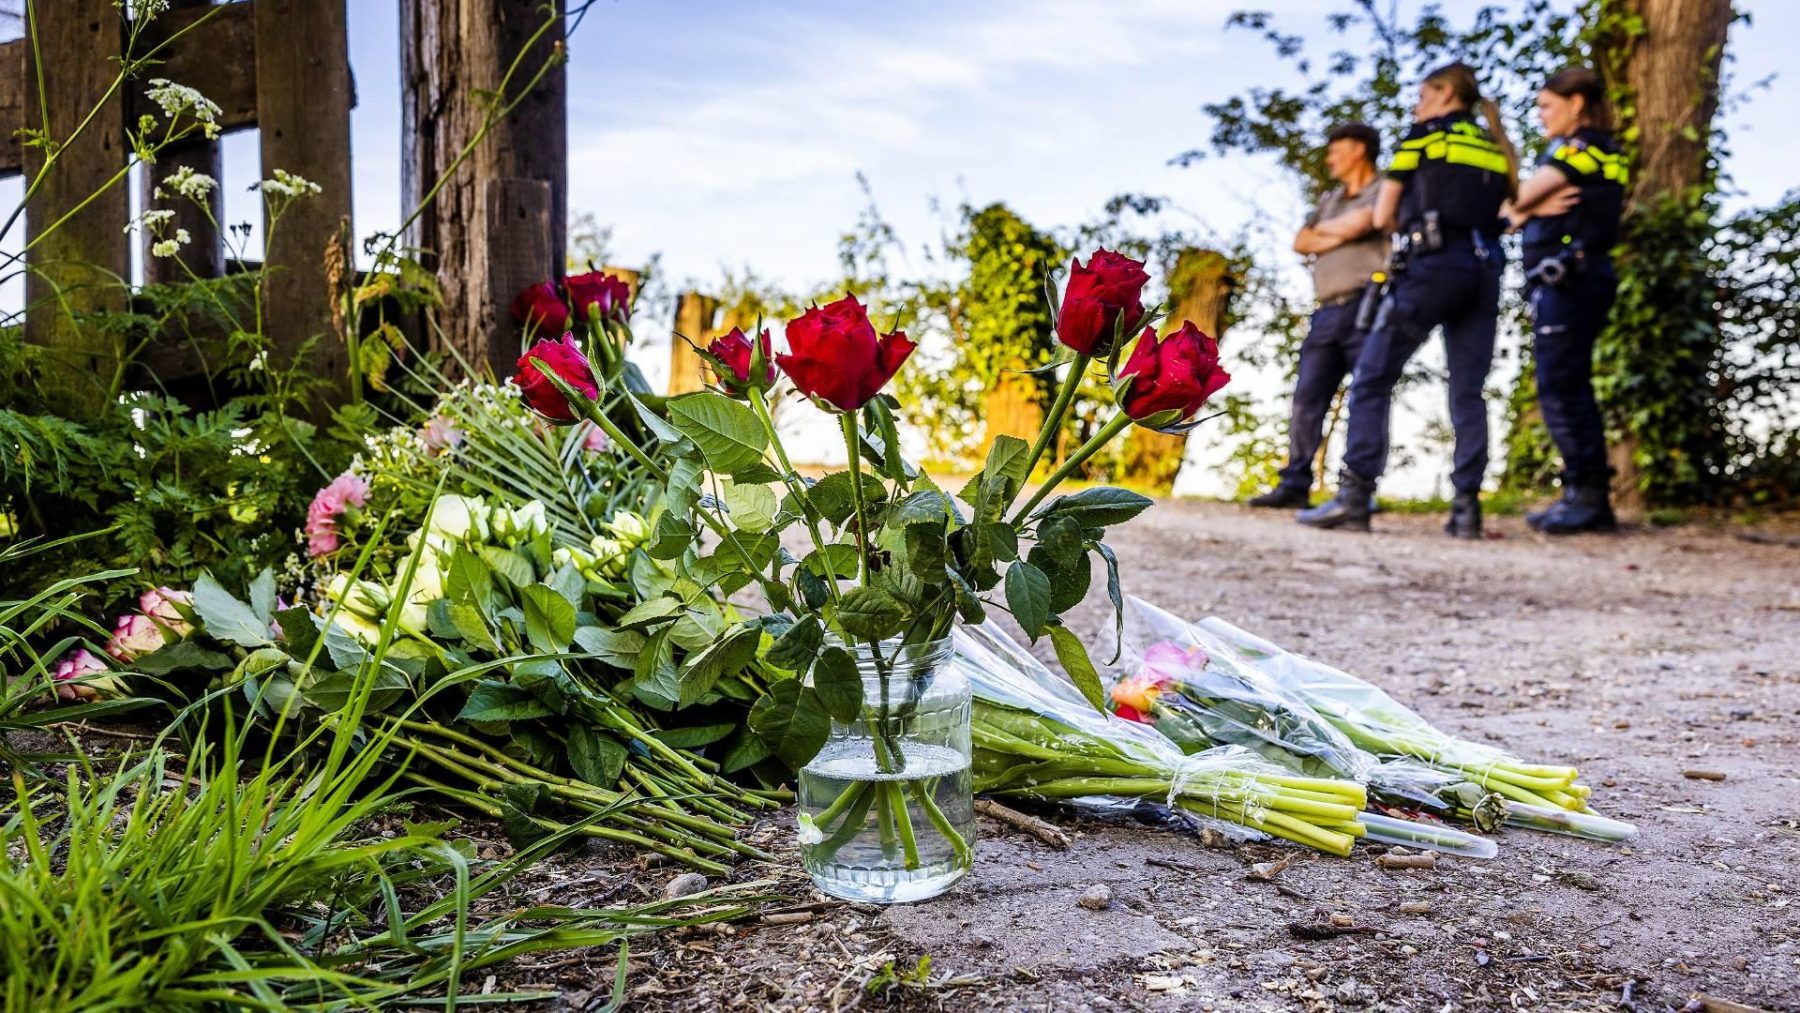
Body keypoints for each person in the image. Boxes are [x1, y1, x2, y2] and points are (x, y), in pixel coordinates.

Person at [1298, 62, 1517, 538]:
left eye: (1422, 95)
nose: (1417, 105)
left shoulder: (1423, 136)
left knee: (1373, 376)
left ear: (1443, 93)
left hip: (1429, 270)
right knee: (1467, 389)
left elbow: (1383, 213)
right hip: (1484, 271)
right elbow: (1509, 212)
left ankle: (1354, 498)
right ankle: (1466, 509)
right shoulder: (1493, 145)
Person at [1504, 67, 1627, 534]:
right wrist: (1525, 207)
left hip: (1573, 280)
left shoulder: (1585, 148)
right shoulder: (1573, 151)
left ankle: (1590, 498)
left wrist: (1524, 205)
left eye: (1547, 106)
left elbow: (1511, 205)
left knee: (1563, 385)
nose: (1540, 117)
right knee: (1562, 384)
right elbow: (1513, 211)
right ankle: (1580, 491)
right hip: (1563, 282)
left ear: (1576, 102)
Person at [1247, 123, 1389, 509]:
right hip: (1326, 310)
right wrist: (1345, 231)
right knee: (1307, 396)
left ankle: (1359, 489)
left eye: (1336, 150)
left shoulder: (1385, 189)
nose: (1330, 159)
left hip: (1369, 303)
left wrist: (1335, 232)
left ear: (1359, 149)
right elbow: (1301, 241)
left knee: (1368, 394)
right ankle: (1295, 482)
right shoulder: (1330, 199)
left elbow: (1368, 222)